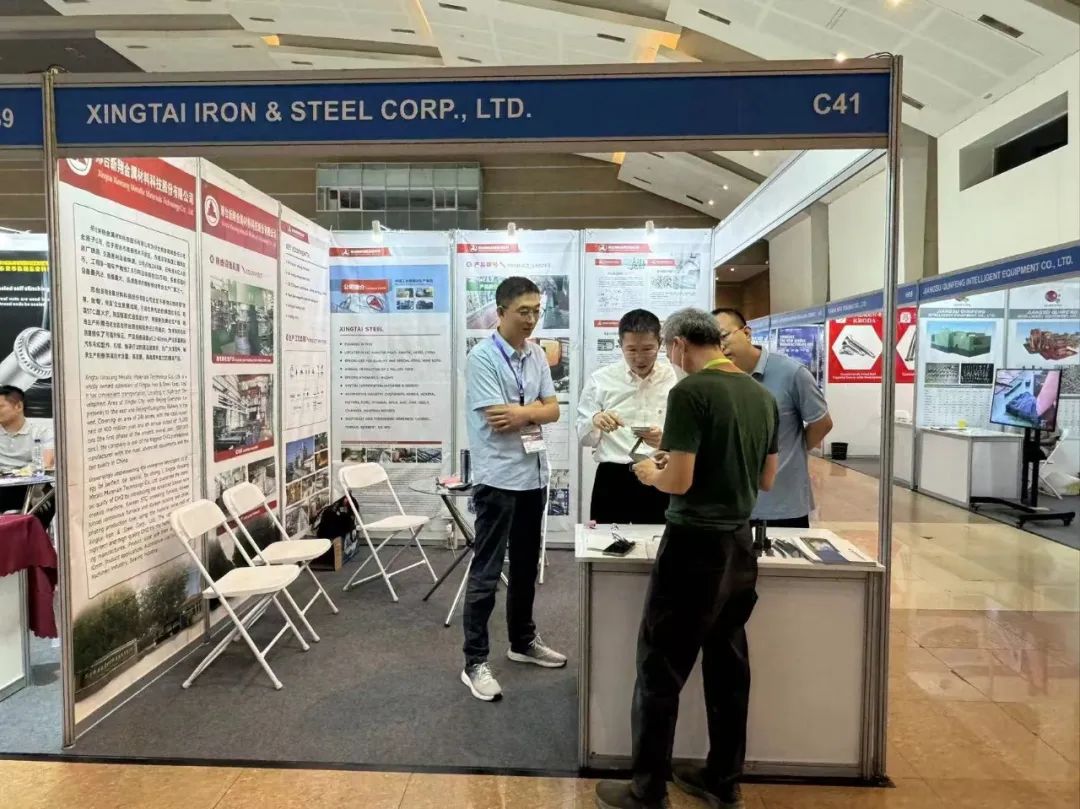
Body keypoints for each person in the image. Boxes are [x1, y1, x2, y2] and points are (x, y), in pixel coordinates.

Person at [595, 308, 779, 809]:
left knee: (659, 671)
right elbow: (766, 479)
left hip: (693, 547)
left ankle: (647, 789)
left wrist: (651, 473)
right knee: (728, 667)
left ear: (676, 345)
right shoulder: (760, 395)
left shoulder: (690, 392)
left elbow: (678, 480)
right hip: (740, 547)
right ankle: (723, 779)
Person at [462, 276, 567, 702]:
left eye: (536, 311)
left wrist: (525, 412)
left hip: (533, 476)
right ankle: (474, 661)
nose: (531, 319)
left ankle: (522, 641)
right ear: (500, 311)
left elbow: (554, 410)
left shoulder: (537, 354)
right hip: (497, 479)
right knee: (487, 572)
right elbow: (497, 419)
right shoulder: (482, 358)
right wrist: (534, 410)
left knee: (525, 567)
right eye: (523, 311)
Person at [713, 308, 833, 529]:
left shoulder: (791, 373)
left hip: (782, 504)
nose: (720, 346)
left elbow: (822, 423)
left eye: (723, 336)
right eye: (712, 341)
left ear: (747, 333)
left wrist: (789, 452)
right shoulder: (716, 379)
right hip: (730, 506)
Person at [577, 309, 676, 524]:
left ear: (660, 343)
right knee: (606, 541)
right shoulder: (601, 380)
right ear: (620, 344)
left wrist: (666, 440)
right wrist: (595, 421)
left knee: (661, 540)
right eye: (631, 349)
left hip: (660, 471)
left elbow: (690, 432)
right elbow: (584, 438)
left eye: (647, 349)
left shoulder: (675, 378)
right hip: (613, 478)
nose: (639, 358)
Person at [0, 385, 56, 527]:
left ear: (18, 406)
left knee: (45, 504)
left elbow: (46, 463)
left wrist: (34, 489)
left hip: (33, 487)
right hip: (2, 486)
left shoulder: (42, 432)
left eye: (0, 407)